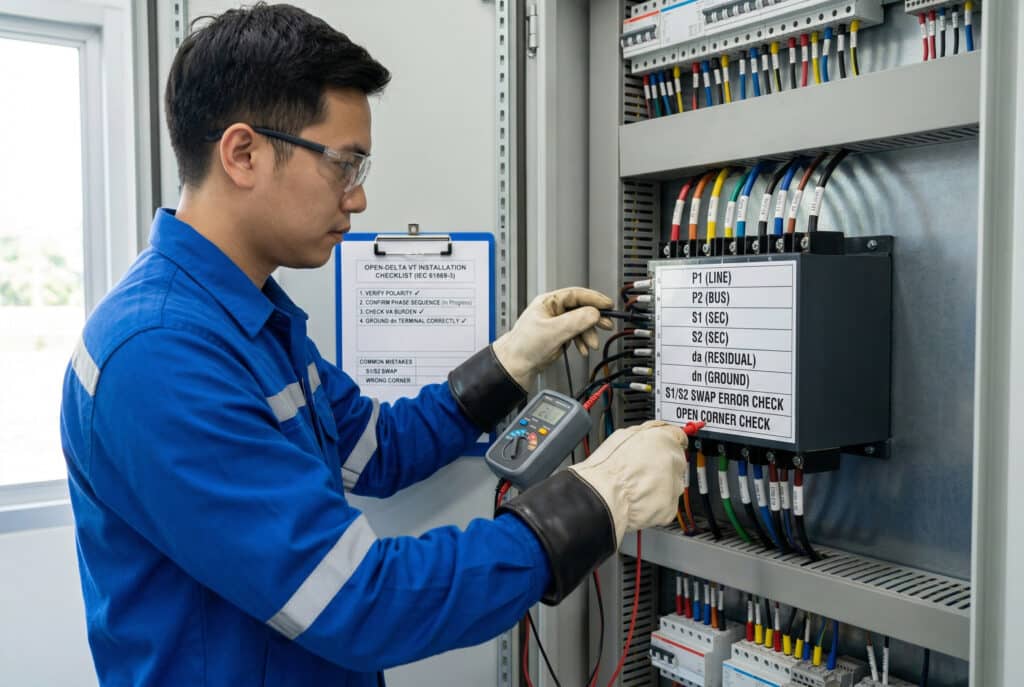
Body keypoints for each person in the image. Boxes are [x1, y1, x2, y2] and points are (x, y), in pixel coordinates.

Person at [59, 4, 687, 685]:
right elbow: (360, 602)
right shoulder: (161, 357)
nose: (357, 200)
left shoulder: (246, 319)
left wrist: (509, 360)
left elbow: (374, 448)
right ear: (243, 153)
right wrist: (597, 501)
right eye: (344, 165)